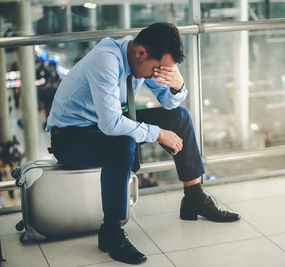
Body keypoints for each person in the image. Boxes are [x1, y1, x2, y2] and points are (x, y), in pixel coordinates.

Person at [46, 22, 240, 265]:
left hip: (104, 124)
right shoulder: (106, 61)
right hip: (71, 136)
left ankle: (193, 198)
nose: (157, 73)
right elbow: (112, 125)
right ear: (141, 53)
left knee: (179, 117)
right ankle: (112, 231)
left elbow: (168, 103)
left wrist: (177, 86)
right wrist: (158, 133)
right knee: (122, 143)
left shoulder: (139, 57)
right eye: (158, 68)